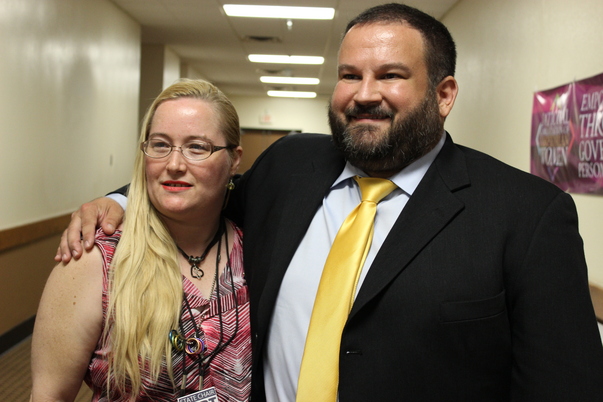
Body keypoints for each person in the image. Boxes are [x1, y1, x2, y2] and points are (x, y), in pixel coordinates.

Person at [56, 3, 603, 401]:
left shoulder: (527, 215)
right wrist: (119, 200)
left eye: (390, 75)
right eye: (349, 75)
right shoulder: (290, 167)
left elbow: (563, 388)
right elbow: (203, 190)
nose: (364, 94)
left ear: (443, 94)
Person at [32, 79, 250, 401]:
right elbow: (49, 395)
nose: (174, 165)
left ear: (234, 159)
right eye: (160, 145)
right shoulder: (96, 259)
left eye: (197, 147)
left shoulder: (256, 252)